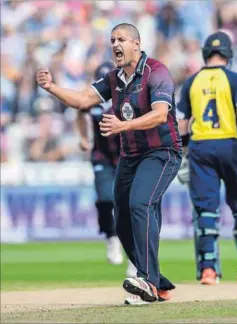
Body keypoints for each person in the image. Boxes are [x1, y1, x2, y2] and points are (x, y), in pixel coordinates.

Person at [36, 23, 182, 304]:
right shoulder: (113, 78)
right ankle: (157, 283)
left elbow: (160, 115)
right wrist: (51, 87)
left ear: (137, 44)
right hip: (131, 156)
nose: (115, 44)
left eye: (122, 39)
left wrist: (123, 125)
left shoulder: (156, 72)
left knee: (140, 204)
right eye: (112, 40)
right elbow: (81, 100)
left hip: (162, 152)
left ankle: (148, 281)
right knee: (121, 218)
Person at [177, 31, 237, 285]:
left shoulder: (192, 81)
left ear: (206, 53)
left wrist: (183, 155)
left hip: (200, 148)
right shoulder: (235, 79)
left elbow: (182, 122)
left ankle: (208, 270)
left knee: (205, 210)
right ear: (229, 54)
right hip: (230, 144)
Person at [76, 61, 136, 276]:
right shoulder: (93, 101)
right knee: (104, 199)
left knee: (130, 206)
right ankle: (111, 236)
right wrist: (83, 137)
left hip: (126, 155)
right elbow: (79, 112)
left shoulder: (127, 97)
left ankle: (135, 258)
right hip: (101, 155)